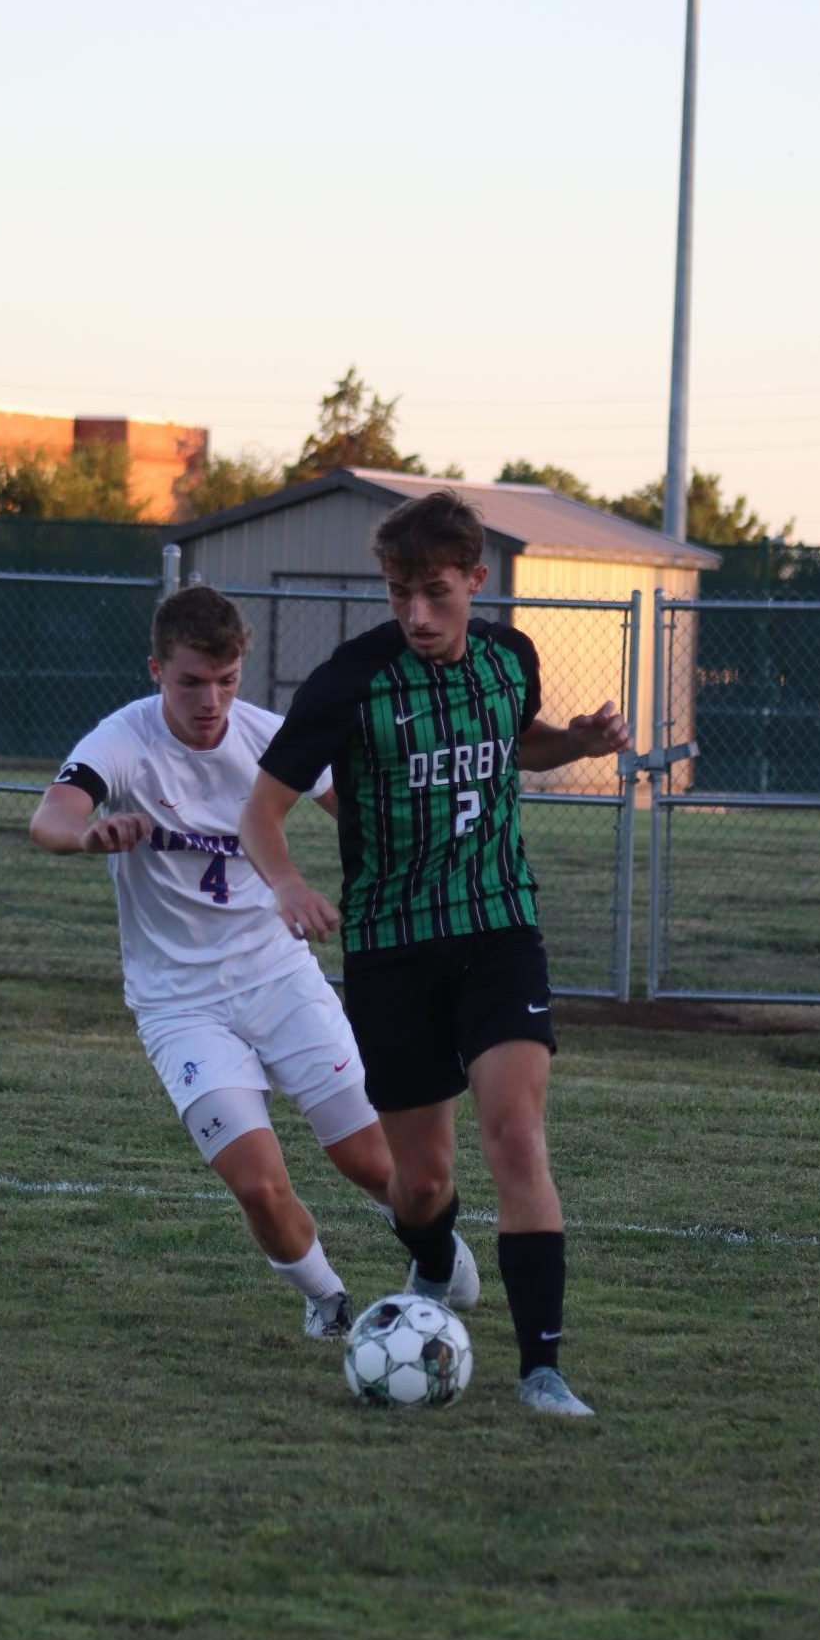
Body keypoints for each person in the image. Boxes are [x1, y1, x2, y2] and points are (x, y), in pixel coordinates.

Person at [240, 489, 629, 1416]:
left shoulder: (509, 656)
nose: (416, 613)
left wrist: (573, 741)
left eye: (437, 592)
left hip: (498, 927)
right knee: (422, 1182)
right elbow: (260, 810)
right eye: (399, 592)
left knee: (517, 1135)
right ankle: (432, 1261)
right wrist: (289, 884)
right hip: (391, 948)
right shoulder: (349, 681)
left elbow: (517, 743)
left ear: (476, 581)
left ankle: (542, 1369)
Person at [29, 583, 423, 1341]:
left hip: (278, 977)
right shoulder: (122, 740)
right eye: (191, 681)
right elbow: (50, 815)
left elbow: (364, 813)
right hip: (179, 1004)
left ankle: (437, 1262)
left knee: (372, 1161)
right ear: (156, 669)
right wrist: (87, 836)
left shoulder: (273, 738)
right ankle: (329, 1301)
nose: (211, 699)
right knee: (256, 1183)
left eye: (228, 679)